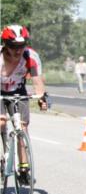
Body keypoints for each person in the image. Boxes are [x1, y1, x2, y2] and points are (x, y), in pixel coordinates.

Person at [1, 25, 49, 183]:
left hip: (18, 91)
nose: (18, 50)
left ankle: (23, 167)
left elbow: (37, 80)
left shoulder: (31, 56)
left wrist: (42, 97)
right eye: (14, 46)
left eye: (21, 46)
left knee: (22, 128)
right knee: (1, 122)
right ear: (6, 45)